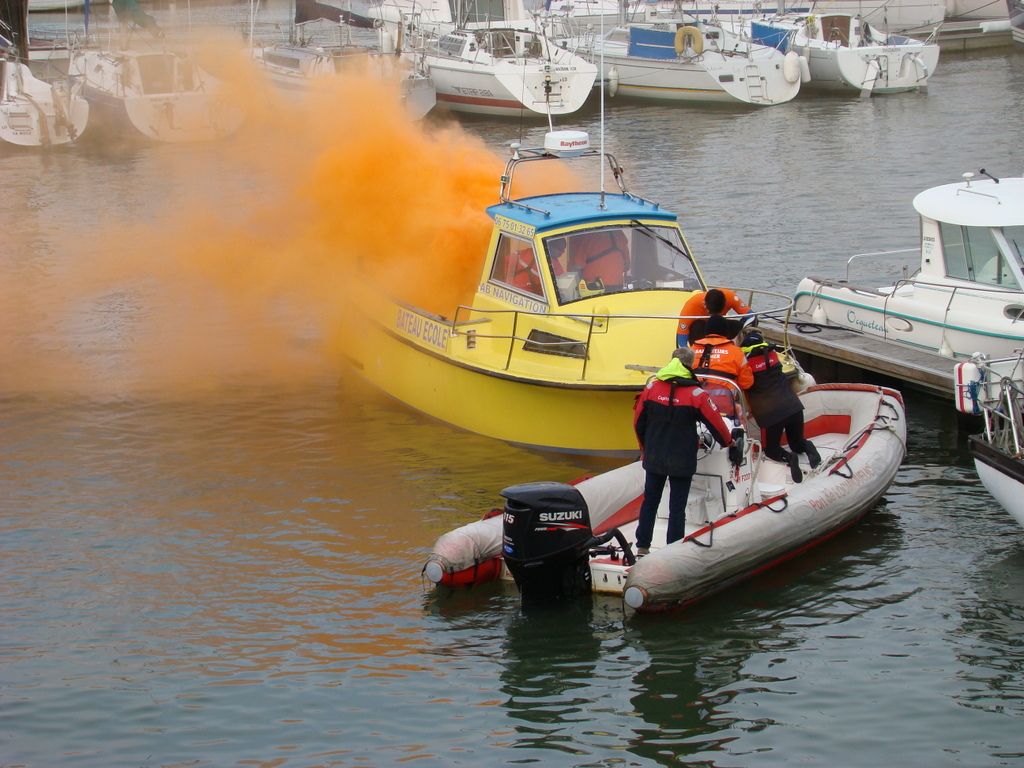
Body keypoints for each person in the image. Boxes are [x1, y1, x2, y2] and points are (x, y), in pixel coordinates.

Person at [632, 346, 740, 555]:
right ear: (691, 365)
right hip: (682, 458)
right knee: (677, 506)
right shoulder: (697, 394)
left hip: (654, 455)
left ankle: (642, 546)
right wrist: (730, 443)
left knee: (650, 501)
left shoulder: (652, 389)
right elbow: (716, 424)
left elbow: (638, 422)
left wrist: (644, 448)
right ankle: (673, 550)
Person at [741, 328, 821, 482]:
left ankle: (789, 458)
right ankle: (809, 448)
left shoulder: (746, 362)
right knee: (797, 443)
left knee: (771, 450)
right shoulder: (772, 355)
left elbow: (746, 383)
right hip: (793, 406)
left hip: (773, 412)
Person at [689, 314, 754, 415]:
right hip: (725, 409)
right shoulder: (737, 352)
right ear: (725, 331)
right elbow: (747, 383)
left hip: (695, 406)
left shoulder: (693, 349)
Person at [676, 287, 752, 347]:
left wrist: (738, 338)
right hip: (700, 334)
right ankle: (703, 350)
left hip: (721, 331)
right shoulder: (691, 307)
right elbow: (681, 338)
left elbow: (751, 316)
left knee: (739, 326)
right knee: (697, 326)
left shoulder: (731, 297)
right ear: (705, 305)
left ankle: (733, 348)